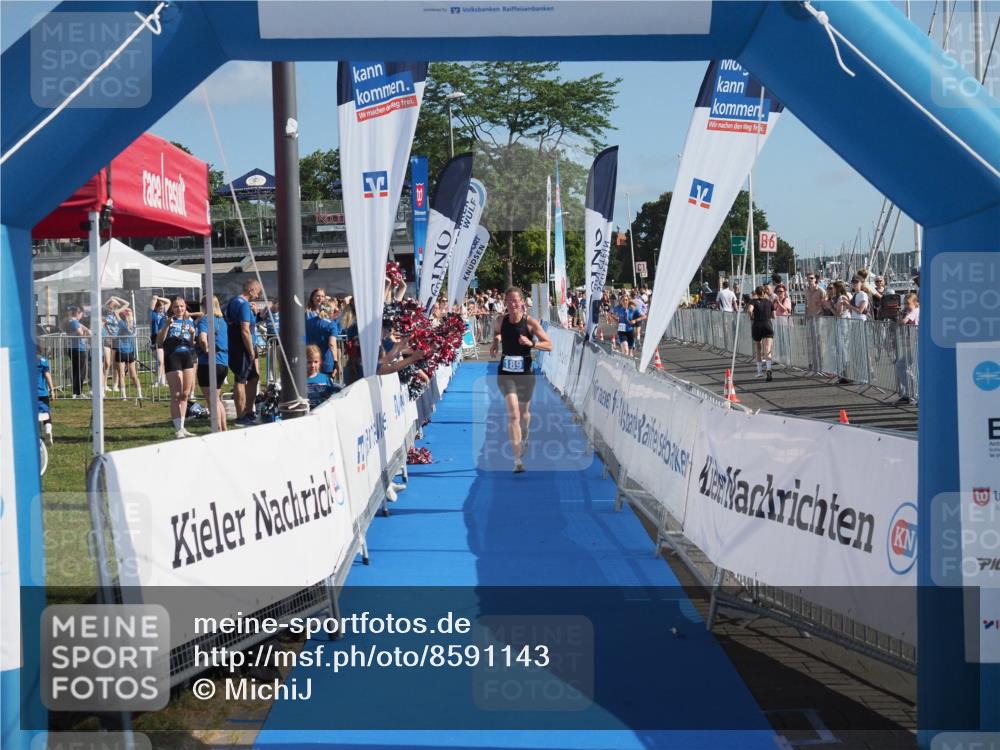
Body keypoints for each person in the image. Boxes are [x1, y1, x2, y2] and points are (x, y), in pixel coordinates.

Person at [489, 287, 552, 473]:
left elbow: (549, 345)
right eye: (508, 301)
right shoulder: (500, 320)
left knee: (524, 414)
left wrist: (532, 344)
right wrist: (495, 342)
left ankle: (525, 434)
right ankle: (517, 459)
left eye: (515, 301)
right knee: (513, 415)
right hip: (505, 374)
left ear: (522, 302)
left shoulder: (530, 323)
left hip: (525, 374)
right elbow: (497, 333)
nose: (512, 304)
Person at [157, 296, 198, 438]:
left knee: (185, 394)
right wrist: (167, 325)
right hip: (173, 356)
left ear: (185, 307)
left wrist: (193, 335)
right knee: (176, 395)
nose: (179, 309)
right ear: (172, 308)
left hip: (187, 357)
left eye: (181, 306)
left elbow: (192, 344)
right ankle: (178, 428)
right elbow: (159, 341)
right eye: (176, 306)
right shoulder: (167, 320)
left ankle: (182, 426)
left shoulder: (189, 321)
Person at [226, 279, 262, 427]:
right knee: (241, 379)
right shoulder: (242, 304)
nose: (258, 296)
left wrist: (256, 314)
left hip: (240, 345)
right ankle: (241, 415)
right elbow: (245, 330)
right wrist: (250, 351)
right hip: (242, 348)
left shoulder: (234, 301)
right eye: (258, 292)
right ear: (251, 290)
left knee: (254, 377)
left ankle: (249, 411)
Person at [197, 295, 229, 431]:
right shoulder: (222, 321)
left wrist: (207, 350)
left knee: (211, 401)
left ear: (204, 305)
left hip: (208, 363)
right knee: (216, 399)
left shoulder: (205, 319)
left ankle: (217, 429)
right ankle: (224, 428)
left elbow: (203, 339)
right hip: (223, 363)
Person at [894, 292, 919, 405]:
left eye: (908, 303)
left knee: (905, 366)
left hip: (917, 345)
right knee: (902, 365)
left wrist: (900, 316)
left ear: (915, 303)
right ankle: (911, 392)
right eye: (905, 303)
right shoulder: (914, 311)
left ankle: (914, 393)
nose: (906, 306)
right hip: (915, 344)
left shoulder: (914, 311)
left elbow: (903, 322)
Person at [114, 307, 142, 400]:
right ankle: (139, 395)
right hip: (129, 351)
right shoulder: (134, 325)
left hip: (121, 351)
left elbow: (115, 312)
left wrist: (122, 308)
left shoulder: (123, 324)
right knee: (134, 375)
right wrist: (127, 310)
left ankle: (124, 396)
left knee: (122, 375)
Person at [748, 286, 775, 381]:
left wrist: (751, 317)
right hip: (767, 325)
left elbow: (749, 310)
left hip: (757, 325)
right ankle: (769, 369)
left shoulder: (753, 301)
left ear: (756, 293)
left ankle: (759, 372)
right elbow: (774, 315)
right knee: (768, 349)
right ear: (764, 293)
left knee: (758, 348)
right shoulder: (769, 302)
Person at [63, 306, 89, 398]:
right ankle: (78, 393)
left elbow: (83, 327)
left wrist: (86, 330)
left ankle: (76, 392)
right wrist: (87, 334)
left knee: (76, 371)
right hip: (78, 349)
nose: (82, 316)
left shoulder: (70, 321)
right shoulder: (74, 322)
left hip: (73, 349)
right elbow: (81, 333)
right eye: (81, 314)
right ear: (78, 313)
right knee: (80, 371)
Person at [305, 344, 340, 409]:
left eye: (315, 362)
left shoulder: (325, 378)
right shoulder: (299, 381)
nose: (312, 365)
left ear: (320, 362)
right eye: (309, 362)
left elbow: (332, 397)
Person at [149, 296, 170, 386]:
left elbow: (168, 301)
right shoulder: (153, 313)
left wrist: (159, 298)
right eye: (160, 308)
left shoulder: (164, 313)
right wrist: (155, 298)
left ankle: (163, 381)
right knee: (160, 361)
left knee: (163, 361)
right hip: (155, 337)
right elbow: (153, 300)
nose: (161, 310)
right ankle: (157, 381)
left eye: (162, 308)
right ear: (156, 308)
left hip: (165, 337)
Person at [37, 345, 54, 443]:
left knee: (34, 414)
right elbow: (47, 375)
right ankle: (48, 429)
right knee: (46, 412)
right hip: (43, 392)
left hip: (30, 394)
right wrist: (52, 389)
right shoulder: (43, 361)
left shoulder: (26, 361)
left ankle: (38, 435)